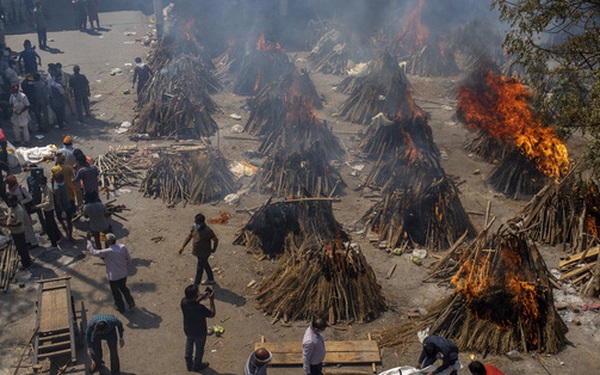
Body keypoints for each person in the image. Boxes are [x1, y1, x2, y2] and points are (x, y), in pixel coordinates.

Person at [87, 232, 135, 313]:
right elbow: (129, 260)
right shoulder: (123, 247)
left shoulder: (107, 252)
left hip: (113, 277)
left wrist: (89, 241)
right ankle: (131, 302)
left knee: (116, 293)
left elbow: (93, 252)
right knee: (124, 288)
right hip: (123, 274)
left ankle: (121, 308)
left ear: (107, 242)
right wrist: (123, 267)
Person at [180, 284, 215, 372]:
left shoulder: (183, 302)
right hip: (200, 332)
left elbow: (193, 302)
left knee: (189, 342)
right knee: (199, 349)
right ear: (194, 296)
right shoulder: (200, 308)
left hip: (188, 329)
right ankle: (197, 365)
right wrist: (211, 300)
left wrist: (203, 296)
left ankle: (188, 362)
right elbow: (212, 314)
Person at [179, 213, 219, 286]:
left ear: (202, 222)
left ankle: (195, 286)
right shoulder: (195, 228)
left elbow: (215, 240)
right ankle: (211, 279)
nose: (195, 224)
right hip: (198, 252)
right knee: (205, 264)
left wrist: (214, 249)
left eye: (197, 223)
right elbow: (189, 236)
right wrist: (183, 246)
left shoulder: (208, 231)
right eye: (195, 222)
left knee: (199, 269)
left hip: (204, 253)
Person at [0, 195, 32, 269]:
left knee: (22, 248)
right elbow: (9, 216)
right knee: (19, 247)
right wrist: (3, 218)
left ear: (16, 201)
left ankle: (26, 263)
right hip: (14, 232)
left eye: (12, 202)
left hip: (18, 232)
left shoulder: (19, 210)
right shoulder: (12, 208)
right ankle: (25, 259)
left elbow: (19, 223)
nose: (10, 204)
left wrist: (7, 226)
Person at [6, 175, 38, 247]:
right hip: (16, 209)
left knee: (28, 225)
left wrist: (21, 202)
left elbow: (29, 198)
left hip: (24, 208)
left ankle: (34, 242)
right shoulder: (10, 189)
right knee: (22, 226)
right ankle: (27, 241)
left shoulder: (21, 188)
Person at [34, 176, 60, 247]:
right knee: (53, 225)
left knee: (49, 228)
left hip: (49, 210)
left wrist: (38, 206)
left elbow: (48, 202)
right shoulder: (43, 189)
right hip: (47, 210)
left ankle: (54, 243)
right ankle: (58, 237)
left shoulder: (47, 190)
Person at [52, 173, 74, 241]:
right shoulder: (57, 189)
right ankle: (67, 233)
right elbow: (58, 201)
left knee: (69, 221)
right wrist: (62, 210)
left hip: (67, 205)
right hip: (61, 208)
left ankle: (69, 235)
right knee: (63, 221)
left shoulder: (64, 184)